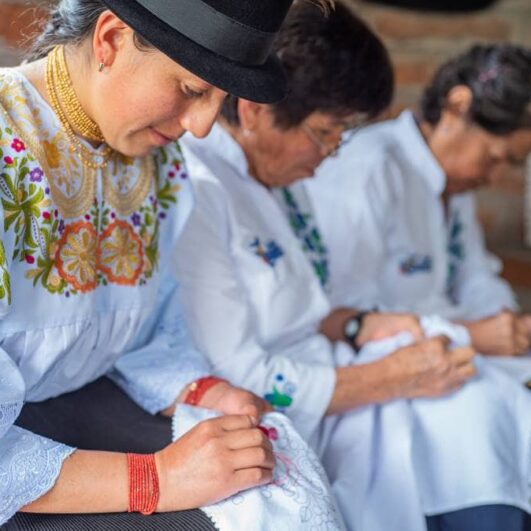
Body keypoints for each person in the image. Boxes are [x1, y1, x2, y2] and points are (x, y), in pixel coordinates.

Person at [174, 4, 531, 530]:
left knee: (484, 411)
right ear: (254, 110)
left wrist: (358, 324)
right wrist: (382, 379)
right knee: (470, 423)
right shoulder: (203, 190)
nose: (334, 153)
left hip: (336, 376)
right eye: (325, 132)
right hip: (282, 408)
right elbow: (242, 373)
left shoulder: (275, 187)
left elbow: (307, 306)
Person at [0, 0, 315, 529]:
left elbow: (153, 328)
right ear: (111, 41)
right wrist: (158, 478)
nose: (203, 126)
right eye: (192, 90)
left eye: (221, 100)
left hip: (82, 410)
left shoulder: (157, 160)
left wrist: (202, 391)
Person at [305, 44, 531, 363]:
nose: (495, 178)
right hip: (381, 367)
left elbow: (474, 276)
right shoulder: (370, 168)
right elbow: (344, 317)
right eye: (494, 158)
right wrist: (468, 333)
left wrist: (509, 325)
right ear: (457, 106)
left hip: (450, 354)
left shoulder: (455, 187)